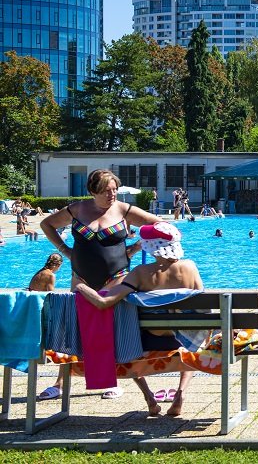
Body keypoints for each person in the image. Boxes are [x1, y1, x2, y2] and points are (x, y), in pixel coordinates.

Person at [39, 169, 160, 401]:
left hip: (117, 277)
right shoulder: (77, 209)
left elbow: (160, 225)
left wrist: (135, 248)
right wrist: (65, 250)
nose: (112, 194)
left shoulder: (124, 210)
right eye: (106, 190)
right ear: (92, 191)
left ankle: (116, 381)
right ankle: (60, 383)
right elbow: (47, 225)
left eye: (114, 190)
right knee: (75, 330)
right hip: (81, 279)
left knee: (114, 332)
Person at [73, 222, 203, 416]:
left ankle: (149, 396)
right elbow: (200, 302)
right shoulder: (190, 267)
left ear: (150, 246)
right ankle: (180, 394)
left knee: (123, 336)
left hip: (149, 340)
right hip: (186, 339)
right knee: (190, 336)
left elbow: (103, 303)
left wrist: (80, 286)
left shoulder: (140, 273)